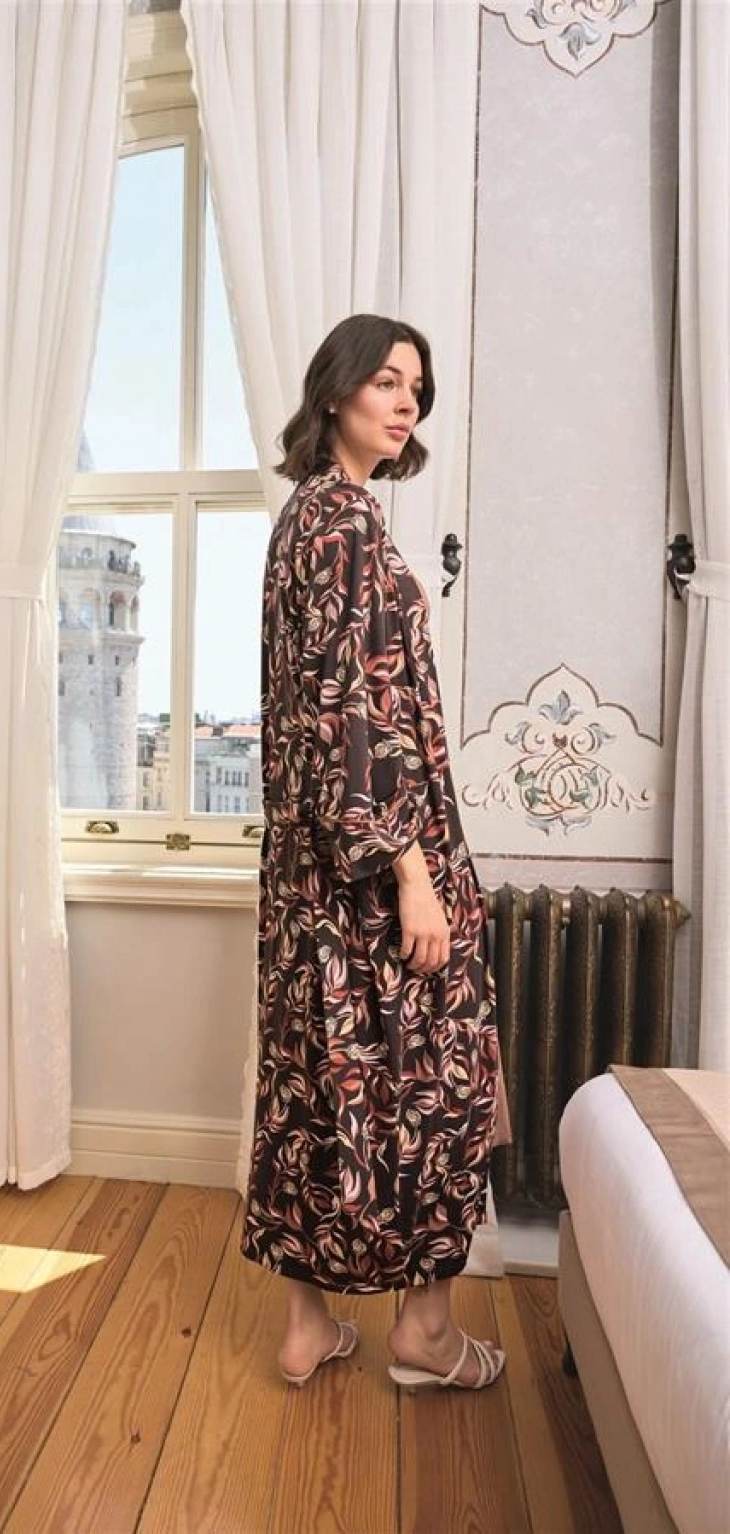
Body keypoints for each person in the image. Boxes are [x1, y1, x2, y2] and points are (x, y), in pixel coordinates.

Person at [241, 314, 512, 1393]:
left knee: (315, 1084)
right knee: (435, 1084)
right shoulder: (345, 523)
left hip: (307, 876)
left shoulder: (302, 519)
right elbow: (352, 713)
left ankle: (307, 1328)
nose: (406, 402)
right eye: (386, 381)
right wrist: (411, 875)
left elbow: (317, 710)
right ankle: (427, 1332)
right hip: (376, 869)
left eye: (416, 387)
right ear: (335, 392)